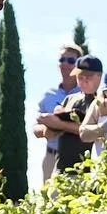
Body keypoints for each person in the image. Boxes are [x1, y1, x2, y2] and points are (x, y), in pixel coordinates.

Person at [36, 55, 103, 173]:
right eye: (80, 76)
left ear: (99, 76)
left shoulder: (102, 102)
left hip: (88, 170)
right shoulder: (69, 99)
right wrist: (50, 125)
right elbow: (48, 131)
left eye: (88, 76)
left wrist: (59, 124)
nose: (84, 80)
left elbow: (99, 131)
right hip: (62, 167)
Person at [33, 42, 82, 182]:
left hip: (79, 160)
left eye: (71, 60)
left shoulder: (86, 94)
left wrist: (58, 124)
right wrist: (44, 131)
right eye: (62, 60)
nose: (65, 64)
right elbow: (35, 128)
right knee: (49, 202)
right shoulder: (48, 95)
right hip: (51, 158)